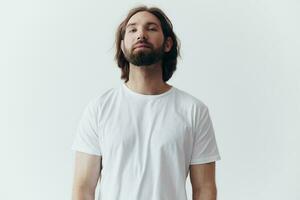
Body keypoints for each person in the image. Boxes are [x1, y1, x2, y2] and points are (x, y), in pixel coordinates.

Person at [71, 5, 221, 200]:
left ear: (168, 44)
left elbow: (205, 189)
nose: (141, 34)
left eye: (151, 28)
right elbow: (83, 187)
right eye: (132, 29)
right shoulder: (99, 108)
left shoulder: (193, 110)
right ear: (123, 45)